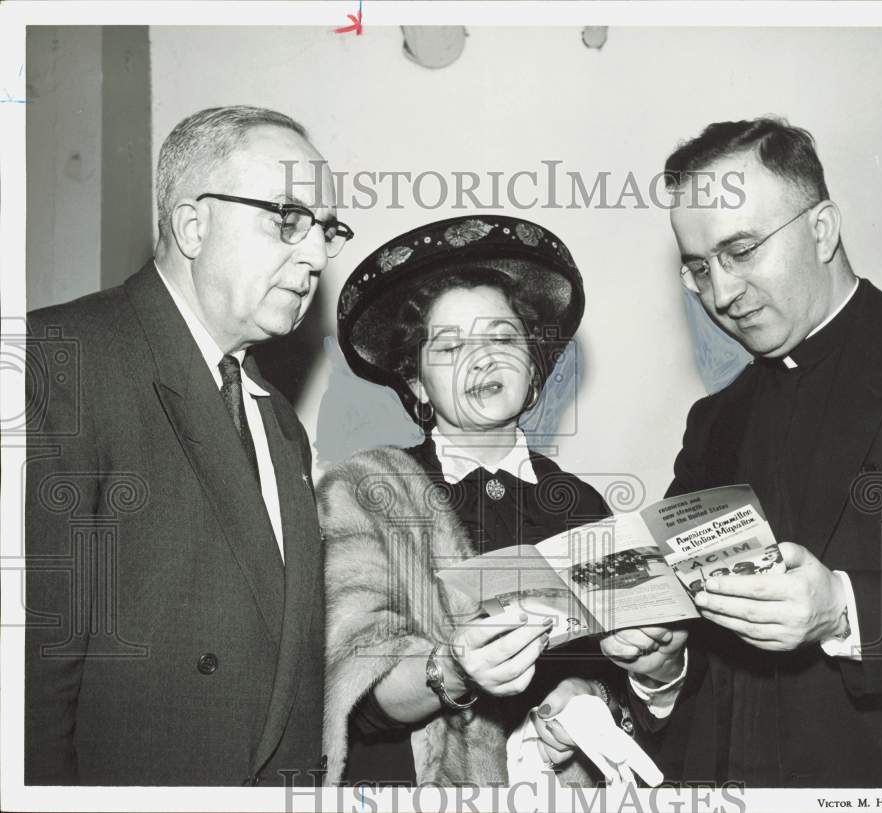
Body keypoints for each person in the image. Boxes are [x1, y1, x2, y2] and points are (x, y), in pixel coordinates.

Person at [546, 118, 882, 788]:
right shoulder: (716, 421)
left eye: (741, 251)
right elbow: (703, 664)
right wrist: (661, 666)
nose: (722, 295)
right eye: (698, 268)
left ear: (823, 228)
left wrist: (843, 608)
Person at [24, 106, 351, 785]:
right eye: (287, 218)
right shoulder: (58, 362)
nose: (318, 255)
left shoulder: (278, 421)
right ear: (192, 225)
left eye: (327, 230)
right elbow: (29, 683)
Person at [318, 216, 622, 786]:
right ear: (414, 383)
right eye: (450, 345)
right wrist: (454, 669)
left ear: (534, 360)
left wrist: (592, 695)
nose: (482, 360)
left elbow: (618, 680)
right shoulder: (367, 493)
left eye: (502, 338)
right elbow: (355, 696)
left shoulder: (581, 504)